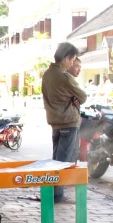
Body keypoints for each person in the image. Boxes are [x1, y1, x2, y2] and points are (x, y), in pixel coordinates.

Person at [41, 42, 87, 202]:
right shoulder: (64, 77)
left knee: (56, 159)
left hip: (55, 121)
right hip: (68, 122)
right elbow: (83, 97)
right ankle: (57, 194)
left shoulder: (47, 74)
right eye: (72, 60)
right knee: (63, 162)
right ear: (66, 58)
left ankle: (54, 192)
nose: (72, 64)